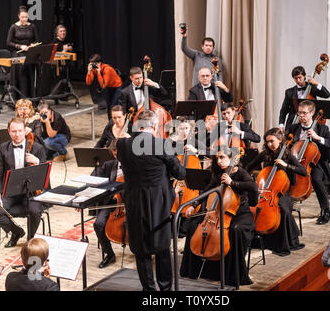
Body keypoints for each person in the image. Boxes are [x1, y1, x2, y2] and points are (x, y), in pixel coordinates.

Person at [116, 110, 186, 291]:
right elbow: (180, 173)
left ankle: (149, 290)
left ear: (137, 125)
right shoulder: (160, 144)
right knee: (162, 246)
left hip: (134, 201)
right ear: (154, 126)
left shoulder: (122, 144)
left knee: (140, 247)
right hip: (159, 202)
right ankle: (165, 290)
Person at [180, 146, 257, 288]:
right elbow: (208, 190)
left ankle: (232, 275)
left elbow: (253, 187)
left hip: (239, 213)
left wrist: (232, 183)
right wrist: (193, 204)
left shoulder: (239, 172)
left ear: (231, 158)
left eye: (223, 158)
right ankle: (192, 271)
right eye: (217, 158)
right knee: (192, 226)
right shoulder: (217, 173)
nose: (219, 161)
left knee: (235, 230)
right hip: (216, 213)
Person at [245, 128, 306, 256]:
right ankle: (260, 238)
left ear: (280, 140)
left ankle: (284, 243)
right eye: (267, 142)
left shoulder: (288, 155)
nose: (269, 144)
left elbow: (303, 171)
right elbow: (249, 167)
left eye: (272, 141)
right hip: (266, 190)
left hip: (282, 192)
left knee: (282, 208)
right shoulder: (264, 154)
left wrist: (286, 165)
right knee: (251, 204)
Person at [0, 118, 47, 248]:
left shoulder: (37, 148)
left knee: (34, 211)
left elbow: (45, 175)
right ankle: (17, 232)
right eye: (14, 131)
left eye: (20, 131)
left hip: (31, 193)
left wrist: (38, 162)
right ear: (9, 132)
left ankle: (30, 242)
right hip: (11, 192)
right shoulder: (3, 148)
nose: (17, 134)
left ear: (25, 131)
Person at [287, 100, 330, 224]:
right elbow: (288, 144)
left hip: (315, 163)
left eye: (304, 113)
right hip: (296, 161)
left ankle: (326, 210)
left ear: (312, 113)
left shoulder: (322, 129)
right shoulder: (293, 128)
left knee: (316, 179)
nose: (301, 116)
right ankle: (286, 207)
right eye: (299, 113)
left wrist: (318, 138)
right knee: (284, 175)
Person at [91, 140, 122, 268]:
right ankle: (109, 255)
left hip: (132, 203)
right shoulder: (109, 165)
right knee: (98, 224)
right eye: (115, 155)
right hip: (112, 204)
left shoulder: (135, 166)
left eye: (119, 154)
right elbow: (94, 180)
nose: (117, 158)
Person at [279, 66, 330, 132]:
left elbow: (327, 95)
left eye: (300, 77)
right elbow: (284, 110)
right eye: (295, 78)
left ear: (304, 76)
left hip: (309, 124)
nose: (298, 80)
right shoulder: (289, 92)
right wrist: (281, 125)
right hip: (293, 124)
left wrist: (317, 83)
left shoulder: (312, 88)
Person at [6, 6, 39, 98]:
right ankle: (19, 99)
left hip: (30, 54)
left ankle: (31, 98)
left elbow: (37, 40)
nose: (25, 19)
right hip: (18, 54)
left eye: (26, 17)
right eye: (23, 17)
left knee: (30, 76)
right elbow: (8, 42)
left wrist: (33, 45)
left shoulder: (32, 26)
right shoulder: (13, 27)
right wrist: (20, 46)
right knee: (21, 77)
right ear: (18, 17)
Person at [86, 53, 122, 120]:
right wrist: (89, 71)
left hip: (116, 87)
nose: (93, 65)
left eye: (94, 63)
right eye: (91, 64)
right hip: (108, 87)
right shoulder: (94, 69)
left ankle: (115, 123)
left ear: (99, 63)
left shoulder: (107, 69)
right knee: (108, 106)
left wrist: (99, 73)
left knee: (113, 106)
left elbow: (102, 85)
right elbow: (88, 82)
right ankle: (110, 124)